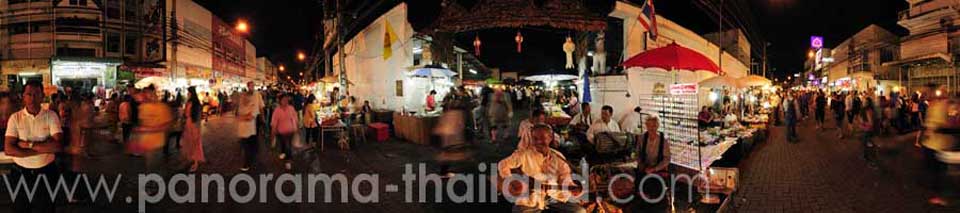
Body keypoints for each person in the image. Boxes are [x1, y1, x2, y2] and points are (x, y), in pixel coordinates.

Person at [497, 125, 584, 213]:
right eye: (535, 138)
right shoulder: (524, 154)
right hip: (531, 198)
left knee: (579, 211)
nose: (538, 141)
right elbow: (503, 164)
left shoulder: (558, 157)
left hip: (554, 196)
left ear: (550, 138)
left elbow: (565, 176)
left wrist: (572, 188)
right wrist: (511, 180)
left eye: (542, 138)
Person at [5, 80, 63, 213]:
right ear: (23, 96)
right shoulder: (15, 118)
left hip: (46, 172)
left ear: (43, 96)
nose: (32, 98)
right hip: (20, 173)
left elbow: (58, 146)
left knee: (46, 207)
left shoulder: (51, 116)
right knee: (21, 208)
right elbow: (9, 149)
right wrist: (43, 149)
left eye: (36, 94)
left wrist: (28, 145)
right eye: (29, 94)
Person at [131, 85, 173, 170]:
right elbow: (142, 123)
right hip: (146, 144)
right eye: (145, 93)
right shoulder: (142, 107)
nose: (147, 95)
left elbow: (167, 126)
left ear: (154, 94)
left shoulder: (162, 107)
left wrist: (149, 129)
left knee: (154, 168)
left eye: (149, 93)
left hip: (156, 144)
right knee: (149, 167)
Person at [636, 116, 671, 201]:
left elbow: (667, 159)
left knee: (655, 189)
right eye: (649, 125)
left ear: (658, 126)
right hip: (645, 168)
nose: (651, 128)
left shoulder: (664, 140)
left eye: (654, 126)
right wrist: (642, 165)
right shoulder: (641, 138)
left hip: (659, 169)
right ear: (646, 126)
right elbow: (638, 154)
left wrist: (655, 169)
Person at [238, 82, 265, 172]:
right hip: (246, 123)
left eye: (253, 85)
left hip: (255, 120)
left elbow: (261, 107)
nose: (251, 87)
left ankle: (251, 158)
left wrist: (262, 118)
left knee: (252, 140)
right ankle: (250, 159)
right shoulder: (243, 96)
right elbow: (240, 111)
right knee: (247, 142)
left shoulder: (257, 95)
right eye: (250, 85)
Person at [271, 94, 298, 170]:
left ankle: (288, 160)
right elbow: (274, 123)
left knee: (288, 145)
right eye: (284, 100)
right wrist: (273, 135)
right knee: (283, 144)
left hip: (290, 131)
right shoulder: (277, 110)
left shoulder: (291, 108)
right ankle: (284, 152)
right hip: (281, 132)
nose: (286, 101)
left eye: (287, 100)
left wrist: (296, 130)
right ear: (280, 101)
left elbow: (295, 119)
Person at [181, 87, 205, 172]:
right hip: (189, 124)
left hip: (193, 125)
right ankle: (192, 159)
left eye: (188, 93)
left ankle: (195, 162)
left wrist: (197, 128)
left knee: (194, 143)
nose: (187, 94)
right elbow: (185, 113)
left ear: (191, 94)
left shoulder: (195, 104)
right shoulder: (190, 102)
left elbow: (197, 117)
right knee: (190, 143)